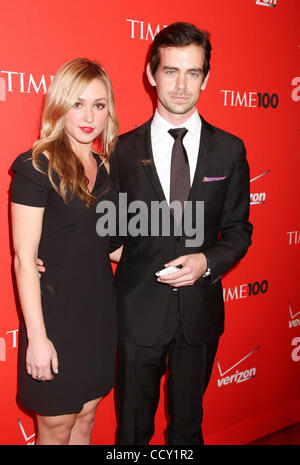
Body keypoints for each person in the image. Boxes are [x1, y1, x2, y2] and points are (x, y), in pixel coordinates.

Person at [109, 22, 253, 445]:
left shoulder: (229, 149)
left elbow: (239, 231)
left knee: (187, 432)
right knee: (132, 433)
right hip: (137, 314)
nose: (181, 85)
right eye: (171, 71)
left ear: (206, 78)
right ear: (151, 74)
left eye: (193, 73)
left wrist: (206, 262)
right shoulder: (120, 151)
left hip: (199, 316)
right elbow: (107, 232)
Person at [10, 58, 119, 445]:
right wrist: (37, 339)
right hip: (55, 319)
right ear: (59, 105)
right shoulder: (35, 167)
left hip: (100, 317)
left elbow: (114, 246)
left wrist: (178, 249)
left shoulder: (107, 170)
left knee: (87, 416)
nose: (89, 115)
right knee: (56, 427)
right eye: (78, 103)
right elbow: (24, 258)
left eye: (99, 104)